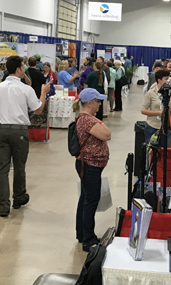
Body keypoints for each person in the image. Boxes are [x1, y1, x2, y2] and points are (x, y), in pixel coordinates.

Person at [0, 56, 51, 217]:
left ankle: (3, 205)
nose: (24, 69)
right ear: (19, 69)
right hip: (19, 131)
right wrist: (43, 93)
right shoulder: (25, 89)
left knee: (2, 169)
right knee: (19, 167)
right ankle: (18, 197)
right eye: (23, 67)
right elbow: (37, 110)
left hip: (1, 130)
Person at [73, 88, 111, 252]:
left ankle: (82, 233)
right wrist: (100, 122)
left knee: (85, 198)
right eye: (97, 101)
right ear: (90, 103)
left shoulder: (87, 118)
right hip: (89, 166)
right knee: (90, 201)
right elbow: (106, 134)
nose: (99, 104)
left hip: (89, 165)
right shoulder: (87, 120)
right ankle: (88, 239)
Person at [142, 70, 171, 147]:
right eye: (166, 79)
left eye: (168, 79)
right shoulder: (151, 93)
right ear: (159, 80)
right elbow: (143, 110)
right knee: (151, 152)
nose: (168, 81)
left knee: (165, 152)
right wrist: (158, 113)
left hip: (166, 127)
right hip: (152, 127)